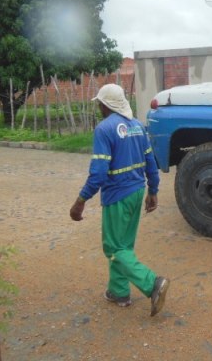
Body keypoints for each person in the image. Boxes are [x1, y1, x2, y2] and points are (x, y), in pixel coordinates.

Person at [69, 83, 169, 317]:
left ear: (106, 105)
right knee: (123, 246)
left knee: (113, 247)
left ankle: (152, 283)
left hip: (117, 196)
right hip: (136, 193)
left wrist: (81, 199)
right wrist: (153, 190)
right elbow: (150, 162)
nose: (98, 109)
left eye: (100, 104)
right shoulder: (137, 127)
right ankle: (118, 292)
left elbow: (99, 173)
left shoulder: (104, 129)